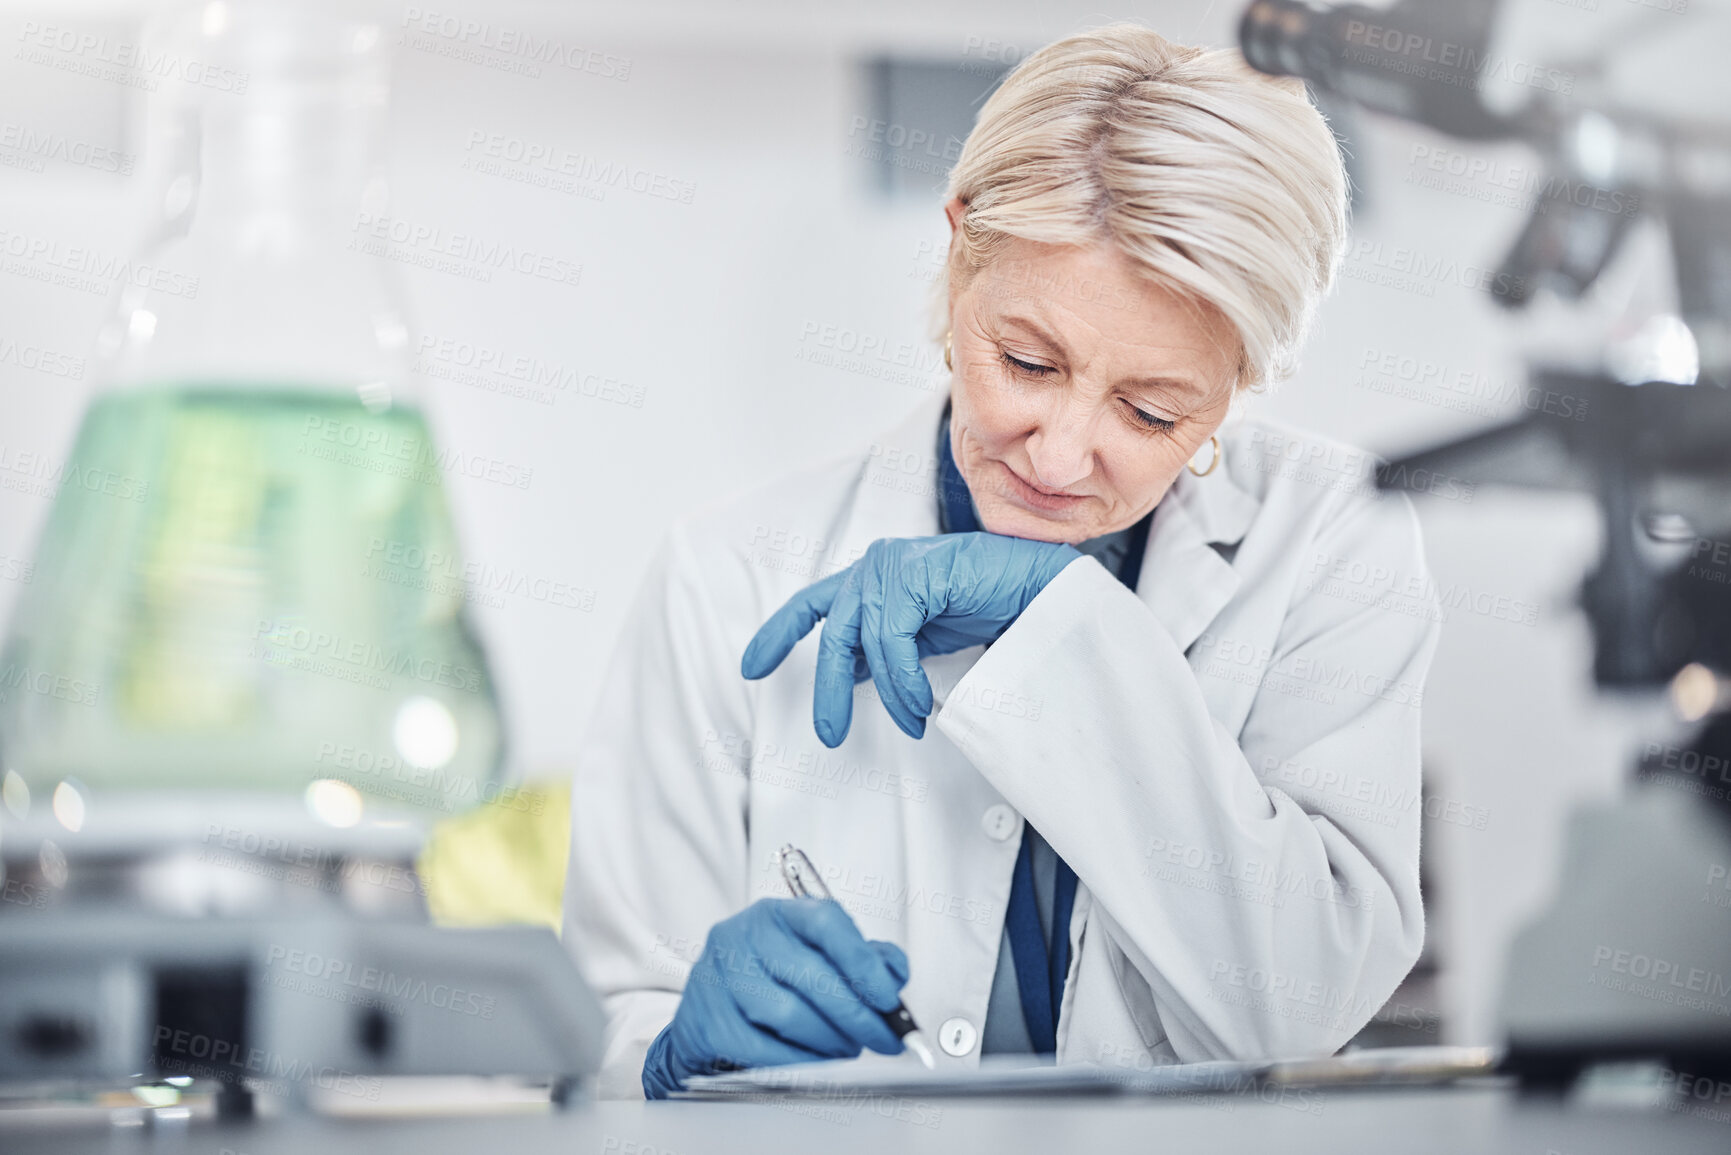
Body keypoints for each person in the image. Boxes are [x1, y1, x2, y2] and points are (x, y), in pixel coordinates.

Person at [562, 23, 1441, 1099]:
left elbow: (1302, 1005)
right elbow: (601, 1029)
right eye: (1027, 362)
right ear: (959, 248)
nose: (1062, 454)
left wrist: (1070, 626)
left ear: (1242, 384)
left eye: (1152, 409)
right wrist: (667, 1050)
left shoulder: (1330, 539)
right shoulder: (727, 576)